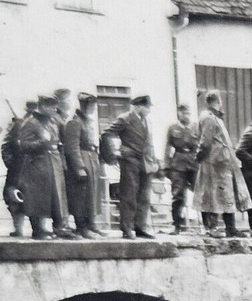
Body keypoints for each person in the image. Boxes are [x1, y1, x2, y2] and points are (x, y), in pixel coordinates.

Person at [102, 94, 163, 239]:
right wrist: (116, 152)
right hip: (130, 161)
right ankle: (127, 228)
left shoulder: (148, 121)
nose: (149, 110)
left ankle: (140, 227)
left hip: (146, 162)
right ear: (138, 106)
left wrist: (154, 161)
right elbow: (106, 134)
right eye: (147, 107)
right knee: (129, 195)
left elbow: (150, 144)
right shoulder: (125, 118)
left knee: (144, 197)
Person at [193, 89, 251, 238]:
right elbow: (205, 141)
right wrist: (200, 157)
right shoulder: (208, 117)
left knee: (227, 195)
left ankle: (230, 228)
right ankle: (211, 228)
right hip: (213, 162)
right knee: (211, 195)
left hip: (222, 162)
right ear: (218, 101)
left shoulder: (215, 117)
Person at [18, 95, 76, 240]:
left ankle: (59, 228)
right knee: (38, 198)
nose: (54, 109)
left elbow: (58, 144)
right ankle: (38, 230)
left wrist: (62, 163)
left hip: (54, 164)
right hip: (38, 166)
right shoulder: (30, 123)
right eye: (50, 106)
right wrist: (42, 142)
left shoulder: (51, 122)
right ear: (42, 106)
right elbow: (24, 146)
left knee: (57, 198)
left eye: (55, 106)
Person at [62, 92, 104, 238]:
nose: (93, 108)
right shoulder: (74, 122)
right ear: (85, 105)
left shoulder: (87, 122)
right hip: (83, 161)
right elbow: (72, 148)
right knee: (81, 196)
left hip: (92, 159)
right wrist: (79, 167)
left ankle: (92, 224)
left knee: (92, 195)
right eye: (91, 105)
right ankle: (82, 227)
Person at [163, 102, 198, 234]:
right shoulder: (173, 128)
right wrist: (166, 166)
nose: (186, 115)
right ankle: (176, 225)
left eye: (188, 113)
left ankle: (209, 226)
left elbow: (202, 145)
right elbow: (168, 147)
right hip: (178, 164)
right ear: (179, 113)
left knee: (200, 193)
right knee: (177, 195)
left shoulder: (196, 127)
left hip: (194, 162)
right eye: (183, 113)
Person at [2, 100, 36, 237]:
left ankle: (37, 229)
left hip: (34, 168)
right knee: (14, 198)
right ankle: (18, 228)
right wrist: (11, 163)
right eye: (30, 111)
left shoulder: (39, 125)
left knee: (34, 197)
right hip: (17, 168)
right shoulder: (17, 125)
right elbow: (6, 146)